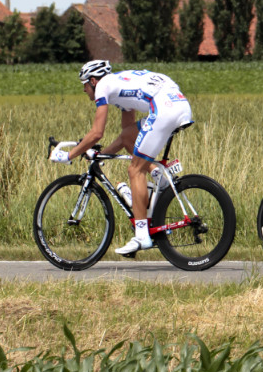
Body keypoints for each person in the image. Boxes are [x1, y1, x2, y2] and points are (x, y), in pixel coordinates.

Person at [49, 60, 192, 255]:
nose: (84, 90)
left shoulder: (103, 87)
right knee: (133, 146)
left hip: (164, 109)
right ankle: (157, 173)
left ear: (93, 81)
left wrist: (69, 155)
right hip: (178, 104)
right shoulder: (120, 86)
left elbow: (97, 133)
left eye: (84, 84)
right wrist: (100, 155)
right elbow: (127, 135)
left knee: (135, 170)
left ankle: (142, 236)